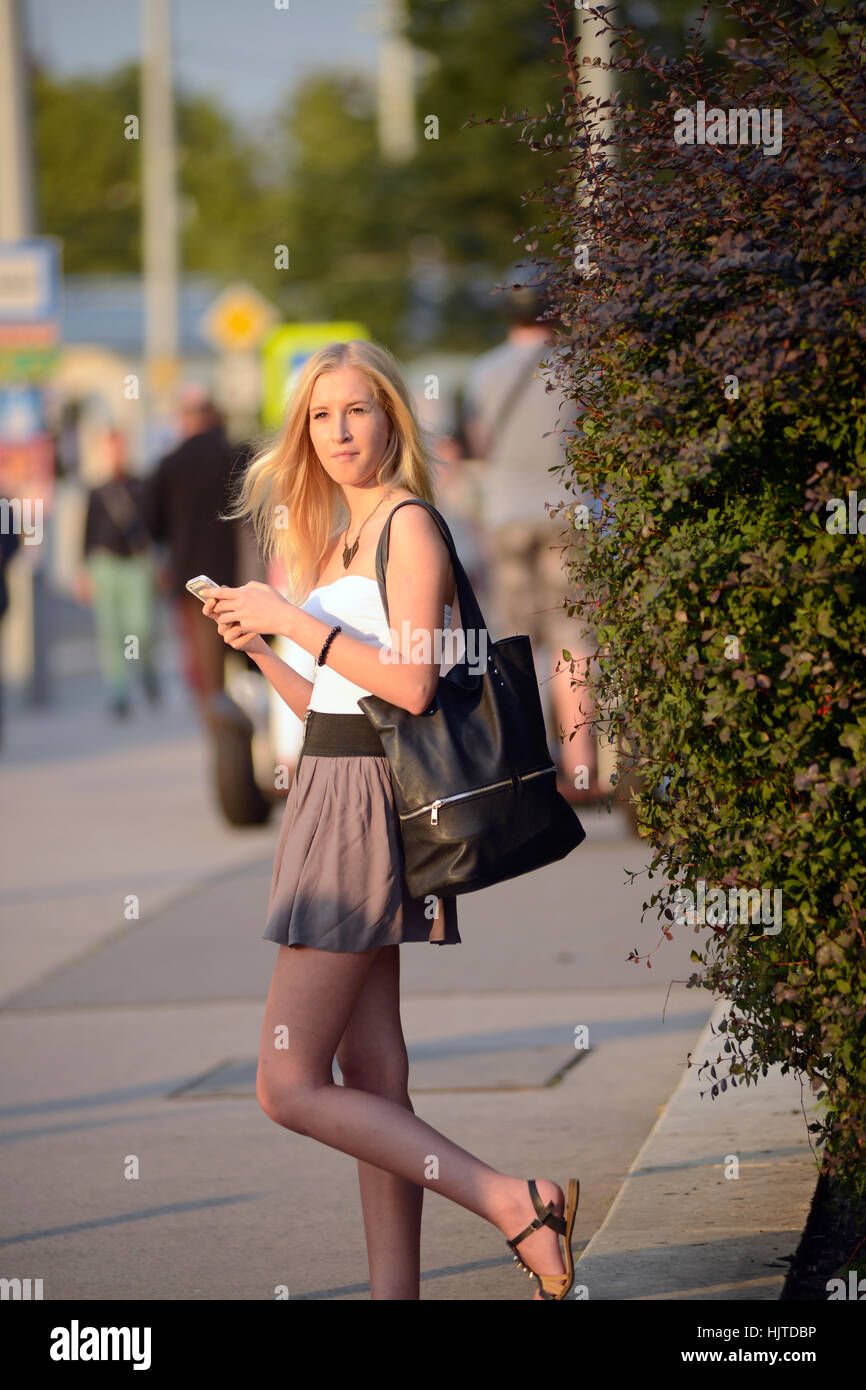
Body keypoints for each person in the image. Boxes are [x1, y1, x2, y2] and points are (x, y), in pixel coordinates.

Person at [201, 339, 580, 1301]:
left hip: (368, 802)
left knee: (286, 1085)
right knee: (371, 1067)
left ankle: (513, 1199)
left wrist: (294, 619)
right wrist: (262, 646)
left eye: (356, 411)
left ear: (391, 420)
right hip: (332, 782)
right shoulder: (332, 534)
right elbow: (329, 701)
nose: (337, 433)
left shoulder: (407, 527)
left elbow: (409, 685)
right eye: (320, 415)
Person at [462, 263, 601, 802]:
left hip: (504, 517)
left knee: (515, 644)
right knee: (573, 639)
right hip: (567, 513)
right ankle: (582, 765)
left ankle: (529, 769)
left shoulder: (483, 372)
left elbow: (478, 445)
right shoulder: (579, 367)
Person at [145, 387, 244, 714]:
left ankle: (224, 740)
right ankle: (246, 732)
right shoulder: (235, 456)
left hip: (193, 582)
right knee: (247, 656)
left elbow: (151, 524)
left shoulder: (171, 463)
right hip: (241, 576)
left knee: (207, 667)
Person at [77, 428, 158, 718]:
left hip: (136, 565)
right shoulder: (97, 491)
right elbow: (86, 533)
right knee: (110, 632)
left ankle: (147, 669)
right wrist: (83, 572)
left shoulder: (141, 485)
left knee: (141, 627)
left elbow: (154, 528)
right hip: (105, 565)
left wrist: (159, 564)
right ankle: (119, 691)